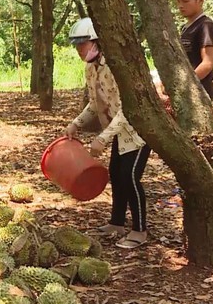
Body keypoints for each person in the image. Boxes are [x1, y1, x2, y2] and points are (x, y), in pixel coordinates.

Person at [63, 18, 151, 249]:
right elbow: (95, 104)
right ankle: (117, 222)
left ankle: (139, 230)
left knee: (130, 178)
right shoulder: (91, 68)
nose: (79, 50)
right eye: (77, 45)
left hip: (138, 131)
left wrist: (103, 138)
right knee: (116, 174)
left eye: (82, 44)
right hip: (118, 131)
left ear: (96, 42)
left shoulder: (116, 67)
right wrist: (76, 124)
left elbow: (128, 109)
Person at [174, 0, 213, 99]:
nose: (180, 6)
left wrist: (184, 85)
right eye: (178, 1)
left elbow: (207, 63)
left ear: (200, 0)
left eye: (185, 1)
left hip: (200, 92)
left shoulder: (206, 26)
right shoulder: (185, 27)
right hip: (186, 92)